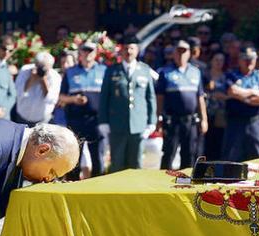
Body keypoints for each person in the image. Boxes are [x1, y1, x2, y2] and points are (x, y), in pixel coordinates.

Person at [98, 35, 157, 171]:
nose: (128, 51)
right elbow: (104, 97)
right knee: (117, 165)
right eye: (125, 48)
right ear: (121, 51)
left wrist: (151, 122)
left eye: (131, 48)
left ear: (137, 50)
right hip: (117, 125)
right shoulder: (112, 70)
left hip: (138, 125)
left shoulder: (145, 70)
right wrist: (103, 122)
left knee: (136, 164)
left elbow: (150, 97)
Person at [156, 39, 207, 170]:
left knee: (190, 154)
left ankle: (187, 186)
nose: (181, 54)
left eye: (184, 51)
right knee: (169, 154)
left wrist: (204, 119)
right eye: (178, 51)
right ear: (173, 53)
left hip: (190, 121)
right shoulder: (165, 72)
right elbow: (160, 98)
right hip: (172, 121)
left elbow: (200, 97)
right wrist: (158, 119)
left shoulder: (196, 71)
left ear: (190, 53)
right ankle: (163, 185)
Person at [59, 40, 106, 178]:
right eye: (84, 50)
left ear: (96, 53)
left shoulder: (104, 70)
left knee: (97, 157)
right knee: (74, 158)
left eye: (90, 50)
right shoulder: (70, 72)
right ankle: (72, 189)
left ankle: (98, 190)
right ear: (79, 53)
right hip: (75, 120)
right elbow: (61, 97)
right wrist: (74, 99)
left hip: (96, 121)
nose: (87, 54)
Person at [222, 47, 259, 161]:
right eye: (245, 59)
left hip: (254, 122)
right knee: (231, 157)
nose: (249, 62)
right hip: (235, 122)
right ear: (239, 60)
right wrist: (253, 92)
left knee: (258, 156)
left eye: (252, 59)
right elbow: (232, 91)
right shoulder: (232, 75)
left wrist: (243, 98)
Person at [13, 51, 61, 126]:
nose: (41, 71)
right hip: (21, 117)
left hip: (42, 121)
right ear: (35, 64)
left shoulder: (55, 77)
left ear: (51, 66)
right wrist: (31, 80)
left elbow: (52, 100)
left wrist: (43, 80)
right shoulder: (25, 70)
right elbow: (17, 93)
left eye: (45, 69)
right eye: (40, 67)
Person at [203, 51, 228, 160]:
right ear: (211, 61)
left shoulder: (227, 77)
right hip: (206, 112)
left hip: (220, 115)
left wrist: (222, 96)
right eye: (216, 60)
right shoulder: (204, 75)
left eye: (221, 60)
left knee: (218, 141)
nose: (219, 62)